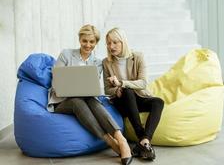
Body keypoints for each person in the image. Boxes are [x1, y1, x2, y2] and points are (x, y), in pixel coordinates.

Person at [47, 24, 133, 165]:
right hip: (62, 101)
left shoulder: (97, 63)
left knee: (92, 100)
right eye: (84, 41)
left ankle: (121, 139)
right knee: (76, 101)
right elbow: (56, 82)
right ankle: (110, 141)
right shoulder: (66, 54)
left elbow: (89, 87)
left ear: (96, 43)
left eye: (92, 42)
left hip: (86, 99)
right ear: (80, 39)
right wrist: (67, 89)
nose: (88, 45)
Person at [102, 27, 164, 161]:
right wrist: (117, 90)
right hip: (121, 101)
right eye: (108, 43)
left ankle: (144, 141)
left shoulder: (138, 57)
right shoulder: (106, 62)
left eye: (115, 42)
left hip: (138, 97)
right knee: (127, 91)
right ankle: (142, 138)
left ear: (123, 42)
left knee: (158, 102)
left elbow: (142, 83)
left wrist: (121, 83)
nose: (111, 46)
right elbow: (107, 89)